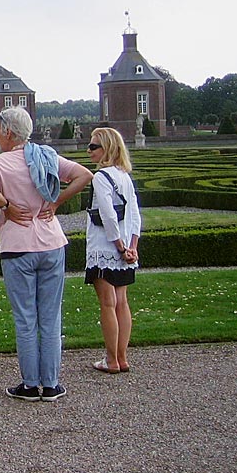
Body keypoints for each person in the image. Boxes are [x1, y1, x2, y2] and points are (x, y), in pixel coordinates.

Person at [0, 107, 92, 403]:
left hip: (18, 247)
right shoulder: (46, 156)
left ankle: (30, 385)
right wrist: (56, 204)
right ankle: (52, 384)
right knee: (51, 317)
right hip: (52, 242)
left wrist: (5, 206)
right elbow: (84, 175)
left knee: (26, 318)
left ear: (7, 132)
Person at [85, 127, 141, 374]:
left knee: (108, 304)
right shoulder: (124, 176)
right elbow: (136, 215)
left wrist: (118, 247)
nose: (89, 150)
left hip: (104, 247)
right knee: (122, 303)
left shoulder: (101, 177)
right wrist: (132, 247)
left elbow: (107, 215)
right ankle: (122, 357)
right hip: (126, 247)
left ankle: (111, 360)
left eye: (93, 146)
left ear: (106, 149)